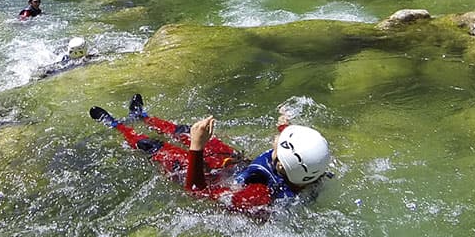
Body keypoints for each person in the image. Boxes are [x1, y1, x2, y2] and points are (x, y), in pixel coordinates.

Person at [89, 94, 332, 212]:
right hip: (235, 165)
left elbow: (197, 193)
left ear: (281, 164)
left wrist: (196, 148)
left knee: (153, 147)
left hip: (212, 179)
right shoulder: (308, 168)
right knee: (186, 130)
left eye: (278, 143)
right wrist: (284, 123)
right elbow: (295, 147)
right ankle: (142, 116)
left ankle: (116, 125)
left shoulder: (258, 195)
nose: (275, 139)